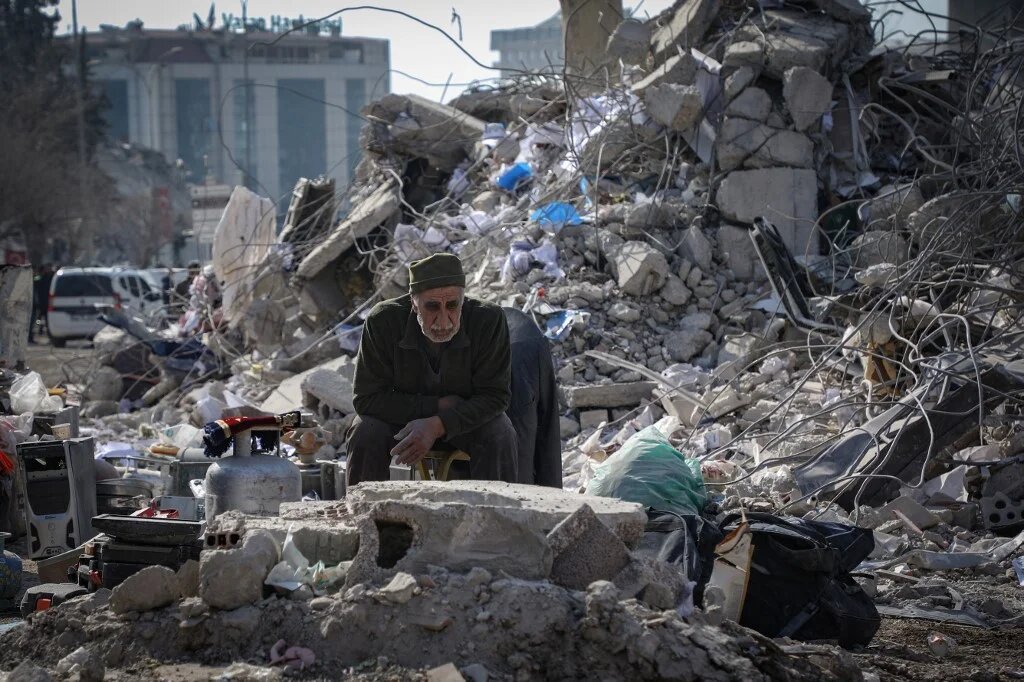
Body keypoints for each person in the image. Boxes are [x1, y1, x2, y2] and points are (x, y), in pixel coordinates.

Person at [346, 253, 518, 485]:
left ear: (463, 301)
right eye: (432, 307)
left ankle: (497, 507)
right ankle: (363, 506)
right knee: (365, 431)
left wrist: (438, 424)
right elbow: (366, 399)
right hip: (402, 419)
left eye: (452, 306)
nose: (443, 321)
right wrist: (435, 406)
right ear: (414, 304)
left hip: (463, 420)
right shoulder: (383, 321)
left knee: (500, 431)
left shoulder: (488, 320)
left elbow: (496, 397)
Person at [28, 264, 54, 343]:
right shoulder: (40, 278)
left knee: (47, 322)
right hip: (39, 303)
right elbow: (35, 279)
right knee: (35, 321)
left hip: (46, 303)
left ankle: (50, 336)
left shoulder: (51, 278)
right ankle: (33, 335)